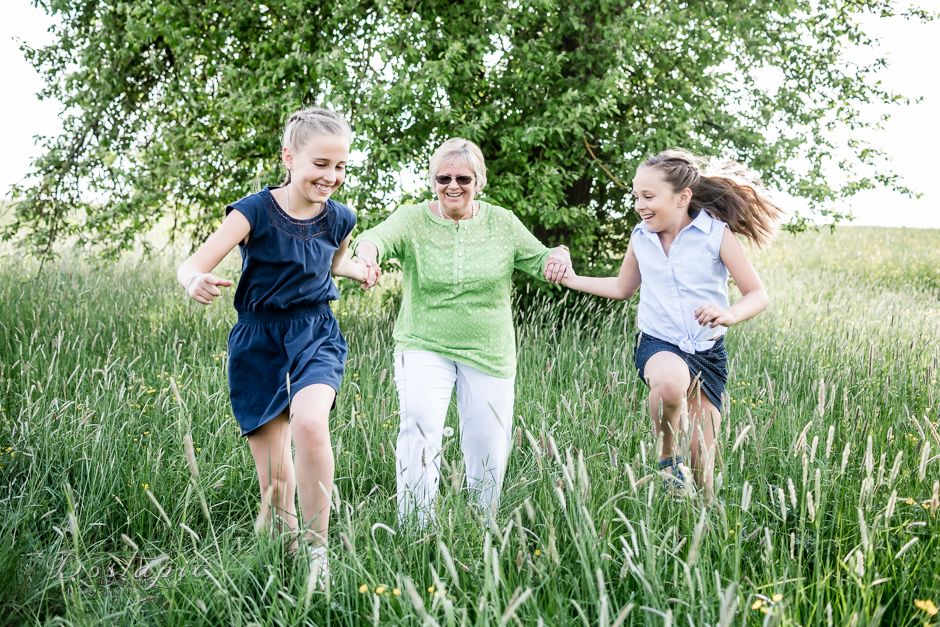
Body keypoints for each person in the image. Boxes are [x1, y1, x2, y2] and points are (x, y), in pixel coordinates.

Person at [176, 107, 376, 583]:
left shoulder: (340, 218)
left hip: (315, 333)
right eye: (321, 164)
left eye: (341, 166)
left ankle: (318, 554)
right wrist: (194, 282)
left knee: (310, 422)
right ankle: (286, 564)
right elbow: (192, 264)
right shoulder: (253, 211)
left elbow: (330, 264)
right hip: (258, 341)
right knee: (276, 486)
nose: (332, 176)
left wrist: (360, 270)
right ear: (289, 157)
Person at [352, 137, 571, 527]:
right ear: (433, 180)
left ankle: (481, 527)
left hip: (488, 348)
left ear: (479, 182)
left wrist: (560, 254)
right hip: (423, 342)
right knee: (418, 424)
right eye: (443, 178)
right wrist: (366, 257)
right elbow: (375, 238)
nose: (453, 186)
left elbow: (542, 260)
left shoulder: (502, 222)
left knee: (487, 442)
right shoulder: (413, 219)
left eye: (463, 179)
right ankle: (415, 528)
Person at [556, 149, 783, 496]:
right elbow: (622, 288)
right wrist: (572, 279)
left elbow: (757, 294)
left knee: (704, 471)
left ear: (682, 198)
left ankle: (697, 522)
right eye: (635, 196)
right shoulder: (640, 238)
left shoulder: (716, 235)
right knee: (669, 382)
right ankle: (666, 459)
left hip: (708, 353)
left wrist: (729, 314)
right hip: (658, 343)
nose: (638, 204)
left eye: (648, 196)